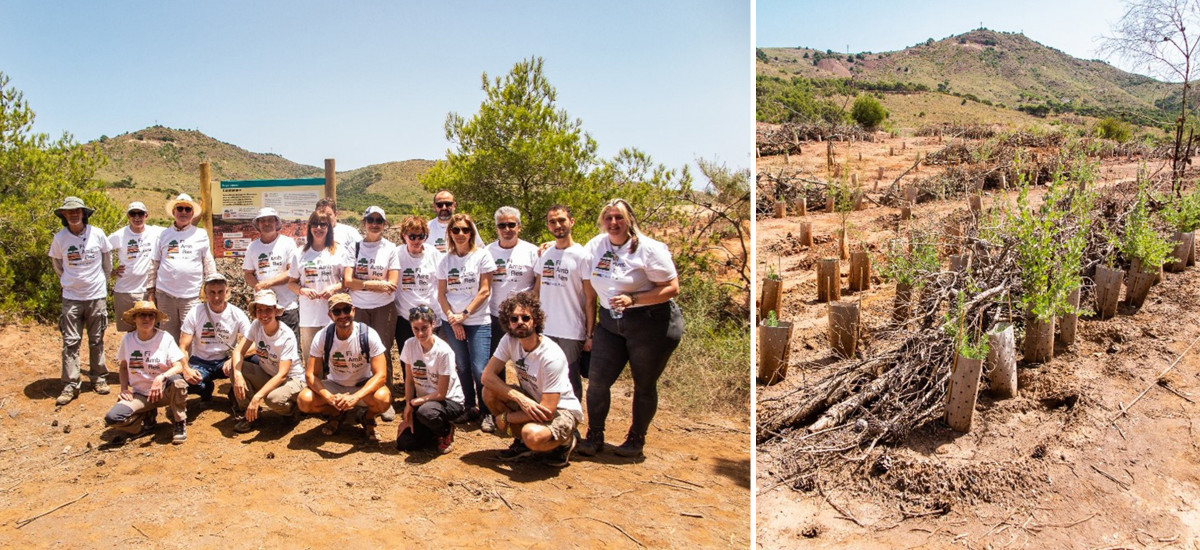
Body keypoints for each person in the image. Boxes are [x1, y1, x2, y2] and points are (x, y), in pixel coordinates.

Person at [577, 199, 683, 458]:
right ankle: (595, 435)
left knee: (644, 384)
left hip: (650, 322)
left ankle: (636, 439)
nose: (614, 223)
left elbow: (672, 288)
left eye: (619, 217)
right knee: (598, 382)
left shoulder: (648, 249)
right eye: (609, 217)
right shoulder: (596, 245)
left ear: (630, 220)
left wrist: (634, 299)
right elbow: (574, 259)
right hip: (610, 323)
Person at [481, 292, 581, 466]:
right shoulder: (509, 340)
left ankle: (564, 442)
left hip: (560, 409)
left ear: (535, 320)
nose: (520, 322)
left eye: (525, 317)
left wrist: (507, 418)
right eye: (514, 319)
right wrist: (520, 398)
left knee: (532, 435)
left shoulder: (551, 356)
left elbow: (548, 410)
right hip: (532, 400)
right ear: (508, 323)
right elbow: (487, 376)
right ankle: (522, 443)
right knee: (489, 392)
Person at [298, 294, 391, 443]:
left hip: (361, 385)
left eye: (346, 310)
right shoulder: (323, 336)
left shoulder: (368, 334)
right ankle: (336, 412)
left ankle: (367, 417)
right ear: (330, 315)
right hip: (335, 385)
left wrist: (355, 397)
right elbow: (310, 375)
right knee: (304, 400)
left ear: (353, 311)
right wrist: (328, 396)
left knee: (383, 399)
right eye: (337, 312)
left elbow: (381, 375)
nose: (343, 315)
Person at [49, 196, 113, 405]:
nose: (74, 214)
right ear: (64, 215)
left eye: (78, 211)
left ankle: (98, 378)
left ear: (84, 213)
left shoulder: (98, 234)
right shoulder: (60, 238)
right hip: (72, 297)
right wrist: (70, 282)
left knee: (97, 339)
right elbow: (57, 264)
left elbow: (107, 262)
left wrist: (100, 282)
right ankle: (71, 383)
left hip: (96, 295)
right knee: (71, 341)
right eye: (69, 212)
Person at [436, 213, 495, 426]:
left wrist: (464, 315)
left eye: (465, 229)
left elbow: (485, 291)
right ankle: (470, 406)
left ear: (472, 232)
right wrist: (453, 319)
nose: (460, 234)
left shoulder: (482, 256)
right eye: (456, 230)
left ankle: (487, 411)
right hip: (451, 321)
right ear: (450, 233)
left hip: (478, 320)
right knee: (461, 365)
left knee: (480, 368)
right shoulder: (445, 260)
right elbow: (441, 293)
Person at [341, 205, 399, 421]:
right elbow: (347, 281)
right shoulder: (354, 247)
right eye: (370, 220)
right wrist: (376, 284)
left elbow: (392, 284)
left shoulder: (390, 248)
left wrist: (362, 283)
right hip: (359, 307)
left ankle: (386, 398)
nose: (374, 224)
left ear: (384, 224)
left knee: (382, 351)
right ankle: (359, 398)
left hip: (384, 308)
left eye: (379, 220)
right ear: (364, 223)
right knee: (358, 352)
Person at [103, 300, 189, 445]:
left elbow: (179, 366)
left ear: (155, 319)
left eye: (151, 315)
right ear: (135, 319)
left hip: (163, 391)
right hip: (140, 394)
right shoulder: (128, 339)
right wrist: (124, 388)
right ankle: (145, 417)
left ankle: (179, 422)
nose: (147, 319)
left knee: (178, 382)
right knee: (113, 418)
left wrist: (161, 377)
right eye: (142, 315)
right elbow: (124, 366)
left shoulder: (164, 337)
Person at [534, 204, 590, 403]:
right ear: (548, 226)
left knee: (570, 379)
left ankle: (571, 425)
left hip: (572, 331)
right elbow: (537, 291)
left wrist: (589, 335)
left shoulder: (583, 256)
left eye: (561, 220)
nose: (557, 225)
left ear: (571, 222)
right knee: (544, 376)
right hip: (546, 329)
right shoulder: (545, 254)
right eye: (552, 222)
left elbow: (591, 299)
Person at [229, 290, 304, 433]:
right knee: (237, 368)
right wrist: (238, 375)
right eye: (260, 310)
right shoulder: (256, 326)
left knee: (273, 399)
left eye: (268, 310)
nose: (264, 315)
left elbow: (283, 374)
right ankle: (251, 415)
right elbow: (238, 351)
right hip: (269, 374)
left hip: (291, 379)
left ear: (276, 311)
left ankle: (291, 411)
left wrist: (258, 397)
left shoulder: (286, 335)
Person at [396, 305, 464, 454]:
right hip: (425, 402)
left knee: (426, 412)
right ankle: (432, 431)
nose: (420, 333)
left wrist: (415, 403)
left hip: (448, 401)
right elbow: (409, 380)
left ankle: (445, 430)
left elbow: (441, 394)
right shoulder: (409, 345)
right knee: (404, 442)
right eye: (416, 329)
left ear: (433, 324)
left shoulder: (443, 352)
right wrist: (408, 405)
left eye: (424, 328)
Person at [149, 193, 217, 344]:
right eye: (180, 208)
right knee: (167, 335)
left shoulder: (200, 234)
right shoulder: (163, 235)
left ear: (193, 213)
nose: (184, 213)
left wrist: (214, 286)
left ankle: (188, 366)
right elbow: (154, 264)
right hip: (165, 295)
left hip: (191, 295)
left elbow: (208, 261)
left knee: (190, 334)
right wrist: (150, 292)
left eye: (188, 209)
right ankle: (172, 366)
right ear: (174, 212)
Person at [178, 273, 250, 402]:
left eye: (220, 292)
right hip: (200, 361)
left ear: (227, 292)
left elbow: (252, 341)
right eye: (212, 292)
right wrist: (186, 369)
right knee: (183, 383)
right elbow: (183, 346)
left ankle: (236, 398)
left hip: (224, 361)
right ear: (205, 293)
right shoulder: (195, 312)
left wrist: (234, 358)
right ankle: (205, 388)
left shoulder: (237, 314)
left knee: (252, 363)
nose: (216, 297)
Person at [288, 209, 347, 365]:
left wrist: (334, 289)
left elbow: (346, 281)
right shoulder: (299, 253)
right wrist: (303, 290)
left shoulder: (338, 251)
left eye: (323, 224)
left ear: (329, 228)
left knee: (336, 357)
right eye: (315, 224)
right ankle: (313, 387)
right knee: (312, 358)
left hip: (334, 313)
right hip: (309, 316)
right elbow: (291, 283)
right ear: (309, 227)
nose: (319, 228)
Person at [485, 207, 539, 359]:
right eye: (502, 225)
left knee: (527, 359)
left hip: (524, 317)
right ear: (496, 228)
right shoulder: (487, 252)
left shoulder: (532, 251)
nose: (506, 229)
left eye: (511, 225)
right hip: (495, 316)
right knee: (495, 359)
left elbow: (539, 284)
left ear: (519, 227)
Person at [242, 207, 299, 335]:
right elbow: (248, 274)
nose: (266, 223)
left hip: (287, 306)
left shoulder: (288, 243)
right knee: (266, 347)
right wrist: (257, 286)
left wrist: (268, 284)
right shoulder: (253, 247)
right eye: (263, 221)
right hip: (264, 308)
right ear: (258, 224)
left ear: (276, 223)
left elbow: (292, 272)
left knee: (291, 346)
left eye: (270, 220)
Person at [109, 201, 164, 332]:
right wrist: (110, 270)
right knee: (129, 331)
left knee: (149, 329)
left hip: (147, 291)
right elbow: (102, 249)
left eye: (140, 213)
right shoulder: (119, 235)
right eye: (133, 214)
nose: (137, 217)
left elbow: (178, 230)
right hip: (124, 291)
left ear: (146, 215)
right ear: (128, 216)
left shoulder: (156, 232)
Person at [394, 215, 441, 352]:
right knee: (408, 359)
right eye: (412, 236)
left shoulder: (433, 253)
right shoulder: (397, 254)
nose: (416, 240)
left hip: (430, 315)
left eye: (421, 236)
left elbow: (441, 283)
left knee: (431, 357)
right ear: (404, 236)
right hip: (405, 317)